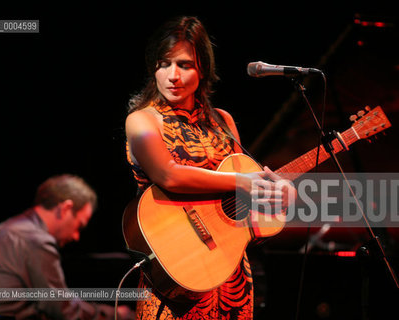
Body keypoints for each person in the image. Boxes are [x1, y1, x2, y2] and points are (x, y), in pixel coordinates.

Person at [125, 16, 295, 319]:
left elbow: (243, 208)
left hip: (230, 277)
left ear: (203, 68)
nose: (172, 75)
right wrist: (243, 182)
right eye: (164, 64)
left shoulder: (224, 122)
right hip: (173, 275)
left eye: (185, 65)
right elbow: (169, 175)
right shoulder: (143, 121)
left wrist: (278, 196)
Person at [0, 174, 134, 320]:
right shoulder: (36, 240)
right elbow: (63, 311)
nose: (76, 237)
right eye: (79, 226)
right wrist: (116, 315)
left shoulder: (6, 228)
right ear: (66, 208)